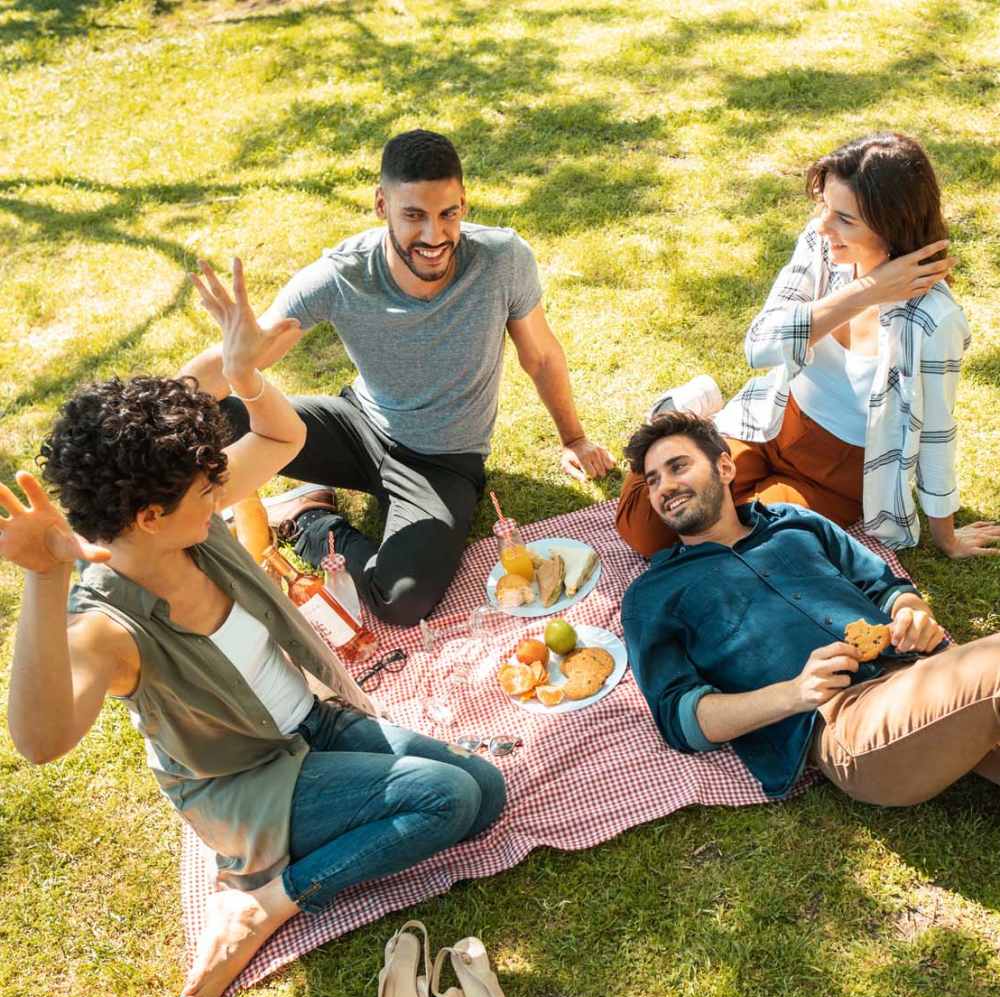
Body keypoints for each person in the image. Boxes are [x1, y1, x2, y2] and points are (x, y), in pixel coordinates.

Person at [2, 260, 506, 997]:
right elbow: (40, 741)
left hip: (313, 721)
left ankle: (285, 869)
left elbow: (278, 431)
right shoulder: (106, 624)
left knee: (486, 794)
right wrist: (44, 577)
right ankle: (267, 900)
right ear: (147, 516)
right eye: (207, 488)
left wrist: (241, 372)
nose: (223, 492)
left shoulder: (181, 518)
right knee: (447, 798)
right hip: (247, 782)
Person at [180, 129, 613, 627]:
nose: (434, 236)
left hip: (443, 463)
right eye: (414, 215)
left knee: (400, 600)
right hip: (357, 426)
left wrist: (574, 438)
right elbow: (248, 353)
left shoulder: (502, 261)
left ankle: (310, 521)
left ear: (464, 202)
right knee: (202, 415)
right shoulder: (342, 274)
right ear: (381, 204)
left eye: (448, 214)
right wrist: (153, 410)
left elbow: (540, 356)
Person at [617, 132, 1000, 560]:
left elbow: (937, 433)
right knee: (647, 528)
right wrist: (867, 291)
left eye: (845, 219)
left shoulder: (933, 319)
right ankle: (675, 416)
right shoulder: (823, 246)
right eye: (824, 207)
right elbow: (760, 344)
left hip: (837, 473)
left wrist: (946, 537)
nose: (823, 226)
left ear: (892, 224)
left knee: (740, 546)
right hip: (771, 420)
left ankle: (685, 428)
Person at [620, 411, 1000, 806]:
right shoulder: (651, 594)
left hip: (924, 671)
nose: (665, 487)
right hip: (848, 720)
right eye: (653, 480)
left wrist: (914, 613)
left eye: (678, 467)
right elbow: (681, 720)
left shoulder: (793, 521)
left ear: (725, 467)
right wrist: (794, 693)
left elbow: (887, 588)